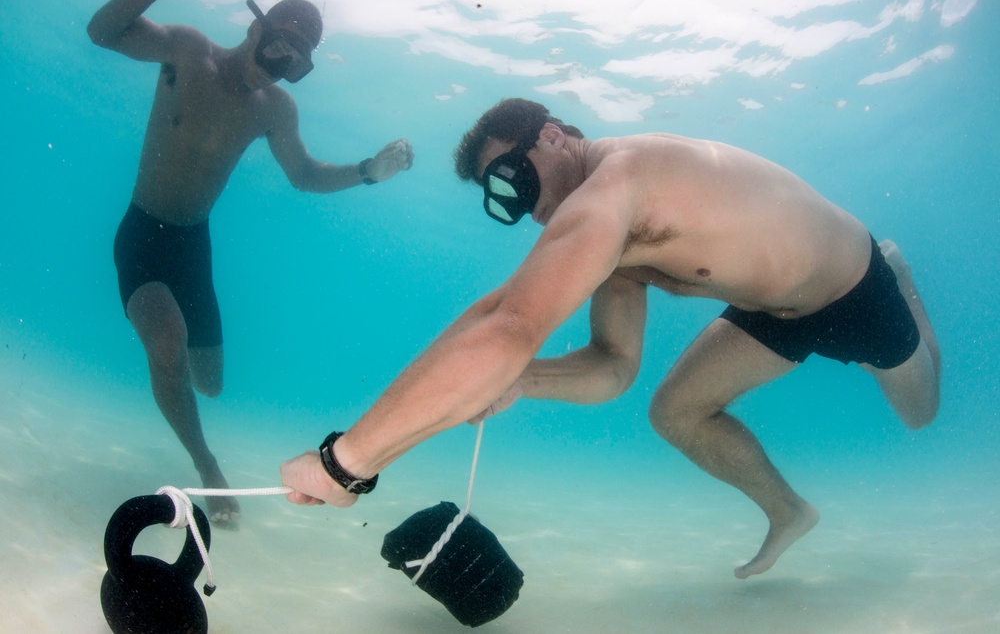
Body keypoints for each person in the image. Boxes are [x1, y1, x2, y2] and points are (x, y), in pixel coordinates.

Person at [280, 98, 939, 578]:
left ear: (554, 137)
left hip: (853, 285)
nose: (516, 206)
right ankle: (789, 511)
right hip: (773, 311)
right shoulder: (609, 239)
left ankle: (905, 282)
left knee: (919, 413)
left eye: (511, 179)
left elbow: (508, 324)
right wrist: (521, 379)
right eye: (497, 199)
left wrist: (347, 461)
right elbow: (612, 366)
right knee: (674, 410)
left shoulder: (620, 182)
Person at [88, 0, 415, 525]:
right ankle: (207, 465)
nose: (282, 66)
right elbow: (102, 32)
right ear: (257, 28)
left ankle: (177, 394)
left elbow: (305, 175)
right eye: (281, 47)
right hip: (142, 231)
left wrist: (369, 172)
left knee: (210, 385)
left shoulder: (274, 110)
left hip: (194, 246)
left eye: (297, 63)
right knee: (167, 341)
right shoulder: (189, 53)